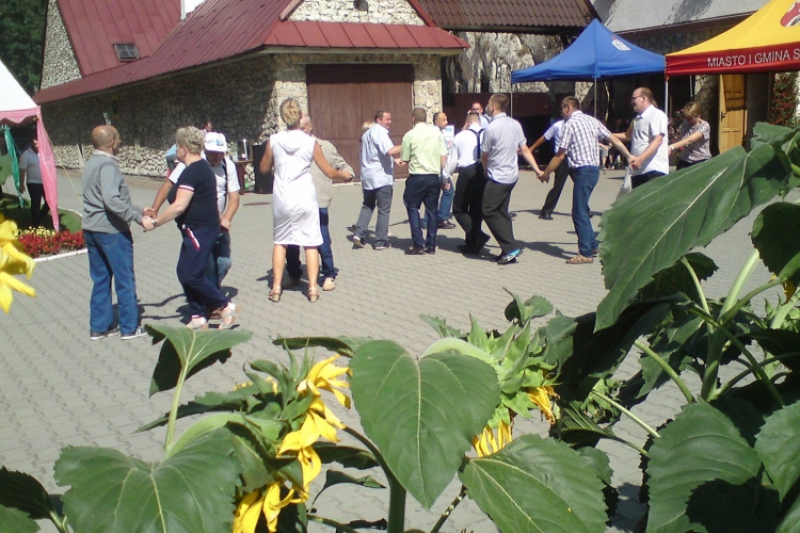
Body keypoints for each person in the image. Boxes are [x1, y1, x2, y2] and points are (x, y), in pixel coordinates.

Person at [142, 127, 238, 330]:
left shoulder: (193, 172)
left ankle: (225, 305)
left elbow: (179, 206)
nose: (176, 149)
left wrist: (156, 222)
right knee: (183, 271)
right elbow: (169, 189)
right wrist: (154, 208)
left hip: (199, 230)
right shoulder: (198, 168)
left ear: (184, 149)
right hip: (196, 229)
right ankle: (197, 315)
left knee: (193, 274)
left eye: (177, 146)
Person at [259, 98, 352, 303]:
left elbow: (264, 168)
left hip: (283, 196)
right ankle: (312, 289)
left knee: (281, 241)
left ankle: (276, 288)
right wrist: (343, 174)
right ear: (300, 116)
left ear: (283, 117)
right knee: (311, 242)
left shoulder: (273, 140)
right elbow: (328, 170)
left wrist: (275, 162)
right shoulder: (310, 142)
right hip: (305, 196)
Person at [540, 97, 633, 265]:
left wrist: (546, 172)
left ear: (568, 108)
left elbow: (560, 155)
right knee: (582, 209)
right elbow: (614, 140)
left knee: (578, 212)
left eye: (562, 109)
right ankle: (592, 244)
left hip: (582, 171)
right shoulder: (592, 121)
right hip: (594, 170)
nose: (562, 113)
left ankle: (585, 253)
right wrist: (629, 156)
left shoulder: (569, 125)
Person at [81, 125, 147, 340]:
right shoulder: (108, 166)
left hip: (92, 229)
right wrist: (138, 218)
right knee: (124, 278)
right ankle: (129, 327)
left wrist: (139, 209)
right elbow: (111, 201)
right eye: (118, 139)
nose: (120, 142)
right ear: (111, 142)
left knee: (100, 278)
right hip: (111, 231)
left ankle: (99, 327)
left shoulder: (91, 164)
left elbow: (103, 198)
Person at [285, 115, 354, 292]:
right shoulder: (288, 147)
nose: (298, 132)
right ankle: (294, 274)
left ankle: (329, 274)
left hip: (318, 201)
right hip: (295, 201)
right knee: (293, 241)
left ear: (310, 128)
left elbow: (341, 164)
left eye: (302, 128)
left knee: (322, 239)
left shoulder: (325, 147)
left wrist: (347, 173)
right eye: (296, 128)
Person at [480, 94, 544, 265]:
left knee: (488, 210)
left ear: (493, 106)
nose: (487, 106)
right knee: (501, 211)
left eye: (488, 103)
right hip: (512, 176)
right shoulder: (515, 124)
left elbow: (484, 155)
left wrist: (485, 168)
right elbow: (524, 149)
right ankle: (507, 252)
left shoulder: (491, 128)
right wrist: (537, 169)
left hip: (498, 176)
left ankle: (510, 247)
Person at [352, 111, 402, 250]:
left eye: (390, 119)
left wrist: (394, 160)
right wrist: (408, 145)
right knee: (383, 209)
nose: (389, 122)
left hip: (368, 176)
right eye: (387, 119)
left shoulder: (367, 134)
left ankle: (358, 233)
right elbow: (389, 150)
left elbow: (376, 154)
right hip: (381, 178)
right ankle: (380, 241)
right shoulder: (380, 132)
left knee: (368, 205)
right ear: (379, 119)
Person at [402, 107, 448, 255]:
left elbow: (405, 158)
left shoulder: (409, 135)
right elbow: (443, 156)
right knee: (432, 210)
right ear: (427, 118)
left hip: (417, 176)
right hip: (433, 176)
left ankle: (418, 242)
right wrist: (444, 176)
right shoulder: (436, 133)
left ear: (413, 119)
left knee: (412, 206)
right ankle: (431, 244)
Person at [446, 112, 489, 254]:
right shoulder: (488, 133)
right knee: (476, 208)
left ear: (467, 123)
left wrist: (446, 176)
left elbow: (452, 160)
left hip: (467, 171)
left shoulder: (460, 136)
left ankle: (477, 235)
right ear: (479, 122)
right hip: (484, 171)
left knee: (459, 208)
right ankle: (472, 243)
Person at [614, 87, 669, 189]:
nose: (631, 102)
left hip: (653, 170)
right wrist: (608, 135)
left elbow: (658, 140)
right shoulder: (638, 119)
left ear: (643, 98)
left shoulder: (656, 115)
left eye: (633, 98)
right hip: (638, 171)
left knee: (652, 204)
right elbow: (627, 136)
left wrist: (641, 159)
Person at [529, 119, 567, 220]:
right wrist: (532, 148)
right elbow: (544, 138)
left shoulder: (577, 124)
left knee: (580, 184)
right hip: (560, 159)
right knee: (558, 186)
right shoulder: (558, 125)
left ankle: (585, 209)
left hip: (575, 157)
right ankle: (546, 211)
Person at [432, 111, 456, 230]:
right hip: (439, 169)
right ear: (436, 121)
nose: (446, 122)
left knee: (432, 195)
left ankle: (428, 220)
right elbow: (443, 155)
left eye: (447, 119)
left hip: (432, 169)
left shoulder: (434, 133)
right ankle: (442, 218)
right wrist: (445, 175)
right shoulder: (439, 135)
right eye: (444, 120)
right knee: (449, 191)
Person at [669, 102, 711, 169]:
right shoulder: (685, 123)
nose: (688, 121)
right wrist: (673, 151)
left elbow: (689, 140)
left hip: (700, 160)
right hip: (685, 159)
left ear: (698, 115)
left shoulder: (704, 126)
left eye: (690, 118)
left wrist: (672, 147)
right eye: (686, 118)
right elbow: (681, 137)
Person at [19, 138, 50, 227]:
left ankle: (39, 217)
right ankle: (36, 223)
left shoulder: (42, 154)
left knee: (49, 202)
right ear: (31, 143)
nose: (37, 145)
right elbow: (22, 171)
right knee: (36, 203)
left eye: (38, 143)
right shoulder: (26, 155)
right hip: (33, 183)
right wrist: (21, 184)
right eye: (35, 144)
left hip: (44, 182)